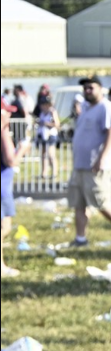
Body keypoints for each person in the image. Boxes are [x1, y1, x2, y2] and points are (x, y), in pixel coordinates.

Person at [67, 77, 111, 248]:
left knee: (101, 201)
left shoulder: (106, 108)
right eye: (85, 88)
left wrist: (102, 158)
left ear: (100, 88)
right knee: (79, 203)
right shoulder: (86, 108)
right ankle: (80, 239)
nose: (87, 91)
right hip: (80, 165)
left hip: (96, 165)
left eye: (91, 87)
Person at [1, 100, 32, 277]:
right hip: (2, 188)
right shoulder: (3, 131)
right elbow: (11, 161)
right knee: (3, 228)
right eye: (7, 113)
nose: (10, 116)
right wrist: (22, 149)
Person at [35, 96, 60, 179]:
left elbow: (57, 125)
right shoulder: (42, 113)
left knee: (51, 154)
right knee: (43, 154)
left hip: (51, 135)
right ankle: (44, 173)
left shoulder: (52, 112)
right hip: (43, 135)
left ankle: (54, 173)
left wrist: (46, 124)